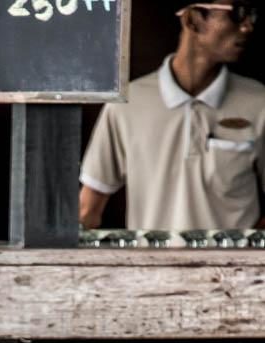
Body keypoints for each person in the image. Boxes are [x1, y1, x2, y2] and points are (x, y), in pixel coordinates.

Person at [79, 0, 265, 231]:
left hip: (239, 268)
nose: (247, 27)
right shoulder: (127, 104)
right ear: (193, 20)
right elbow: (88, 210)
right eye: (237, 14)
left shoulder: (259, 103)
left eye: (252, 14)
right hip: (150, 266)